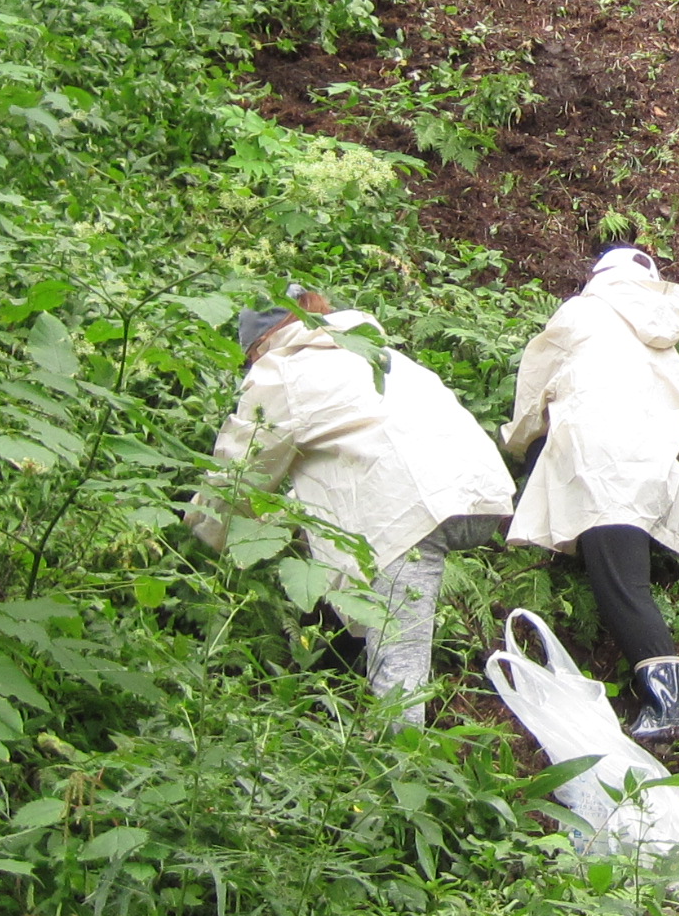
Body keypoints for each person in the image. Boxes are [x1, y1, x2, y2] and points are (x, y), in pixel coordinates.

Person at [186, 291, 514, 728]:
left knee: (399, 667)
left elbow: (241, 470)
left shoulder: (282, 371)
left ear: (262, 343)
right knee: (327, 546)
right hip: (478, 495)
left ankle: (398, 759)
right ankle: (329, 691)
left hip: (408, 507)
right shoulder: (371, 348)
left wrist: (201, 535)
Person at [503, 246, 679, 742]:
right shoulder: (663, 333)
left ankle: (666, 706)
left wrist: (519, 443)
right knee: (625, 565)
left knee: (622, 586)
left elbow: (535, 389)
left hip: (600, 462)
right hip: (653, 467)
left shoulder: (581, 313)